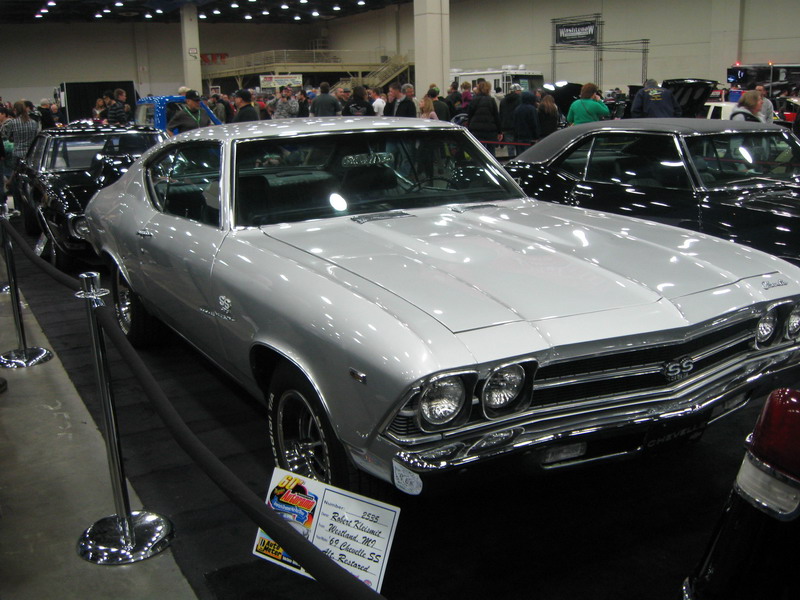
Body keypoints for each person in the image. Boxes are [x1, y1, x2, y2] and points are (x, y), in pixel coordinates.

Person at [467, 80, 503, 155]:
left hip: (476, 129)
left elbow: (470, 115)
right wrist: (499, 131)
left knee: (479, 151)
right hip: (490, 130)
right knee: (491, 152)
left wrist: (469, 127)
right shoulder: (491, 100)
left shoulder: (474, 100)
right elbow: (496, 116)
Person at [499, 83, 523, 158]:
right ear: (516, 91)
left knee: (510, 147)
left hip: (507, 127)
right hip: (518, 126)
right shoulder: (520, 100)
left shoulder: (503, 100)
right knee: (519, 147)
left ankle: (511, 159)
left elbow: (501, 114)